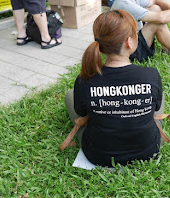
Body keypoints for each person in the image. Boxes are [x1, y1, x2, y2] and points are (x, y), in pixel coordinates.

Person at [65, 10, 164, 167]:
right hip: (148, 150)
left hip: (97, 154)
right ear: (129, 42)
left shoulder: (84, 80)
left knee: (70, 95)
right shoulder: (150, 74)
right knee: (157, 95)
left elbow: (81, 113)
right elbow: (157, 107)